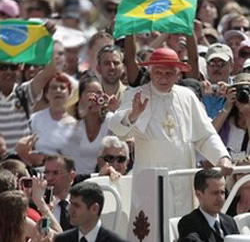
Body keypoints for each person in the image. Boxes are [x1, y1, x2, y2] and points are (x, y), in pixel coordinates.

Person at [107, 48, 232, 218]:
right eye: (158, 72)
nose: (163, 78)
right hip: (151, 178)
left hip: (183, 176)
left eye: (169, 73)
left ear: (178, 75)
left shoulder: (187, 96)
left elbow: (205, 135)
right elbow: (117, 129)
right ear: (150, 72)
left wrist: (222, 157)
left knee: (182, 226)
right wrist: (134, 114)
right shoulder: (136, 94)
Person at [62, 71, 114, 174]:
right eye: (90, 93)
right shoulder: (71, 123)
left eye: (99, 93)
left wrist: (116, 109)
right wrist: (83, 113)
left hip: (101, 179)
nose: (95, 97)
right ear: (80, 98)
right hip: (75, 180)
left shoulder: (110, 120)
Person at [54, 181, 128, 242]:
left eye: (76, 205)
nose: (69, 209)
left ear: (94, 209)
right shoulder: (62, 240)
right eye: (71, 204)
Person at [178, 169, 239, 242]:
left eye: (222, 192)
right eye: (215, 193)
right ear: (199, 194)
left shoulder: (230, 222)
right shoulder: (188, 224)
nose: (220, 198)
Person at [44, 155, 76, 231]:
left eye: (56, 173)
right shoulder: (39, 204)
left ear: (71, 176)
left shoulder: (82, 204)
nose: (49, 178)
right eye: (46, 172)